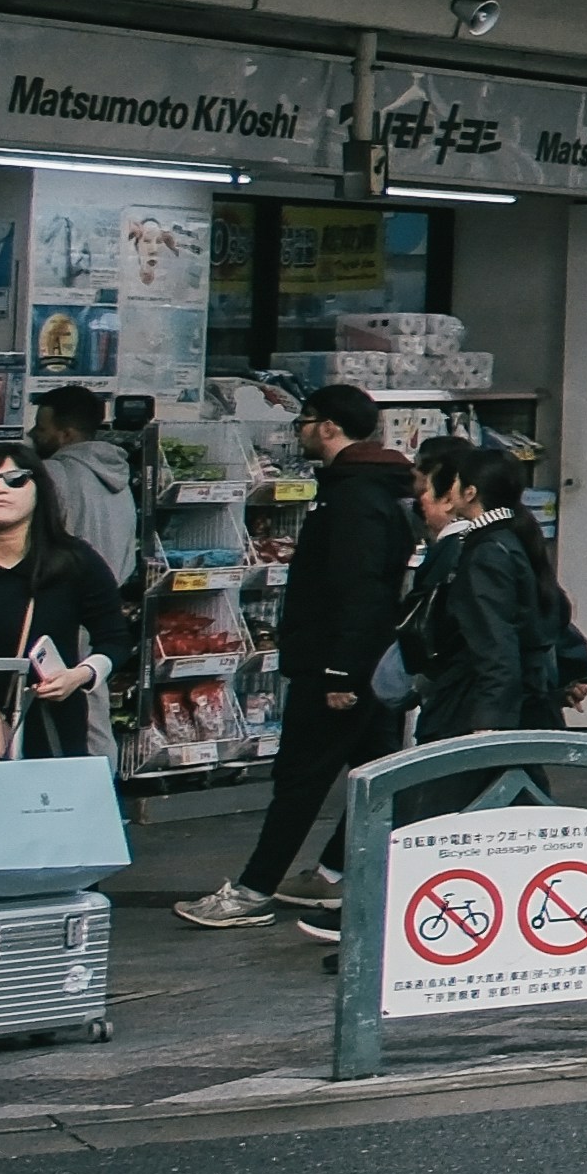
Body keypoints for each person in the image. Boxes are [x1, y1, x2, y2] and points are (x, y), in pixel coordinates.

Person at [182, 388, 414, 930]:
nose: (299, 432)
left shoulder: (354, 498)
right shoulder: (379, 490)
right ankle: (336, 872)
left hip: (339, 666)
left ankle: (253, 889)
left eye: (303, 422)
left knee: (301, 781)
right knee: (379, 775)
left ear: (328, 427)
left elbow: (356, 591)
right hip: (371, 662)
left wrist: (339, 669)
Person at [0, 442, 122, 755]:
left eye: (16, 479)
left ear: (38, 490)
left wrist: (80, 675)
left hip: (49, 724)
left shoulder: (74, 562)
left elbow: (114, 637)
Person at [389, 446, 555, 742]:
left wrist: (490, 718)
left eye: (456, 481)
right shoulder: (508, 538)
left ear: (469, 492)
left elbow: (494, 638)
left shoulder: (486, 552)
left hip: (469, 702)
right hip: (496, 699)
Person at [29, 386, 140, 596]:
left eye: (41, 429)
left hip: (61, 604)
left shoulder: (51, 473)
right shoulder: (118, 474)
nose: (32, 434)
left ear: (66, 435)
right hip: (106, 601)